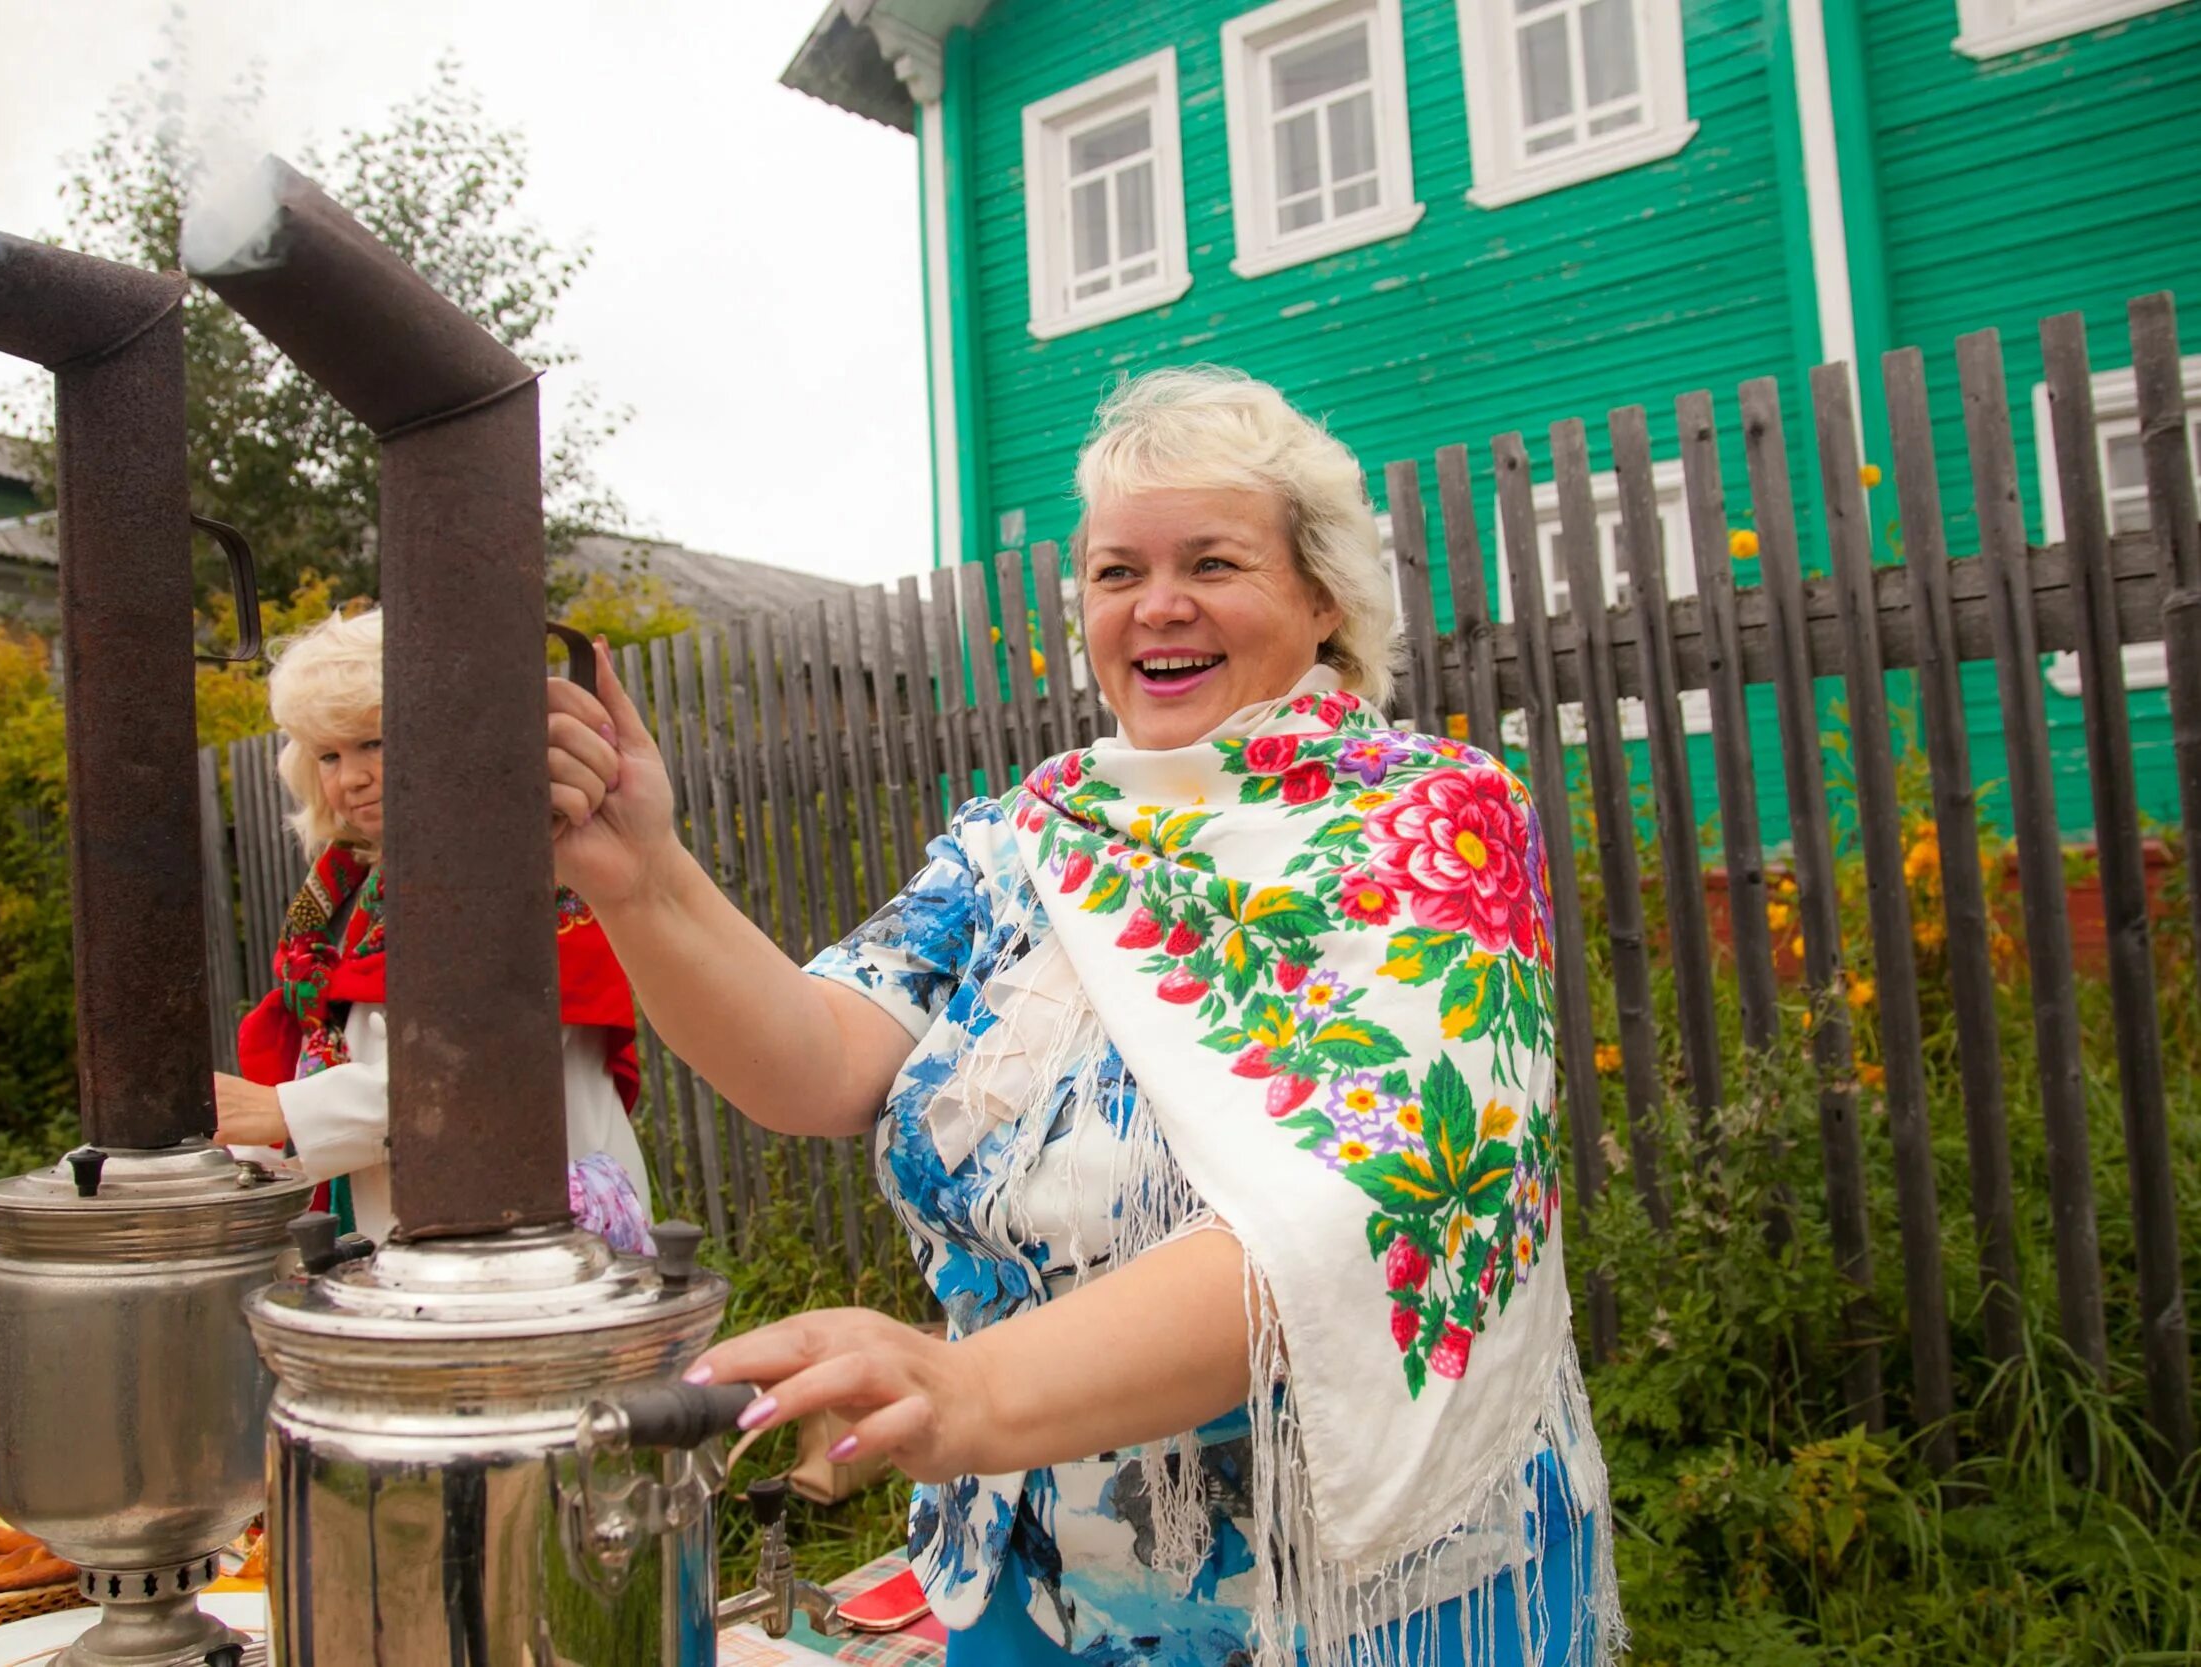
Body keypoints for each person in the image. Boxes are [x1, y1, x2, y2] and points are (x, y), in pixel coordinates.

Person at [546, 369, 1616, 1666]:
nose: (1157, 604)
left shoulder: (1428, 817)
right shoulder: (1026, 836)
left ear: (1323, 596)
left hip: (1360, 1598)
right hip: (1039, 1576)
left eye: (1212, 561)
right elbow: (817, 1062)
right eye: (1118, 571)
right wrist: (642, 873)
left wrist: (969, 1389)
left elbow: (1375, 1200)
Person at [215, 606, 654, 1254]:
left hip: (529, 1235)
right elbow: (325, 1046)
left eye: (375, 742)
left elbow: (491, 1062)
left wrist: (289, 1113)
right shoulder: (339, 893)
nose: (351, 776)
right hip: (392, 1219)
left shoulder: (526, 876)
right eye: (329, 753)